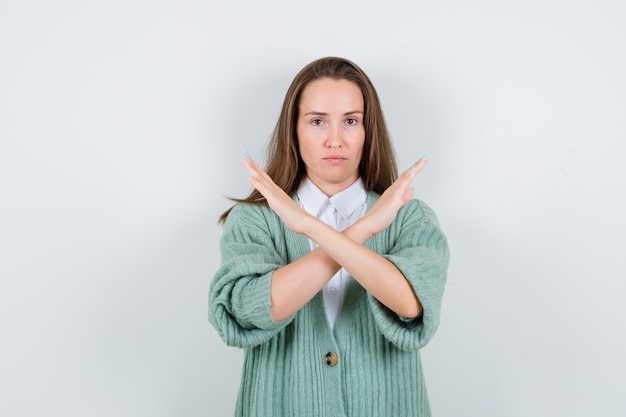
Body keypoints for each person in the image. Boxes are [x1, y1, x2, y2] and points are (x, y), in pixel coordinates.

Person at [209, 56, 450, 417]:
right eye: (318, 121)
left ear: (369, 131)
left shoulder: (409, 217)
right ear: (295, 130)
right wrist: (363, 229)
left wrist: (309, 226)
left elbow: (411, 304)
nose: (335, 140)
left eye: (351, 121)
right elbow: (250, 311)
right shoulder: (255, 219)